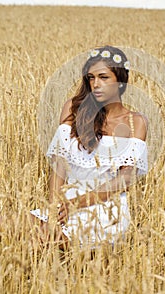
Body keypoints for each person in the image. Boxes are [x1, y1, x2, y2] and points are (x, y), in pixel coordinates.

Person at [30, 45, 148, 247]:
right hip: (63, 204)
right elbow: (59, 166)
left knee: (34, 241)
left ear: (120, 81)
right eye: (91, 78)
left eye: (103, 77)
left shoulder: (135, 121)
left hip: (106, 210)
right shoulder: (73, 109)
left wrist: (76, 204)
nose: (96, 84)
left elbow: (124, 179)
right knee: (7, 226)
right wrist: (53, 210)